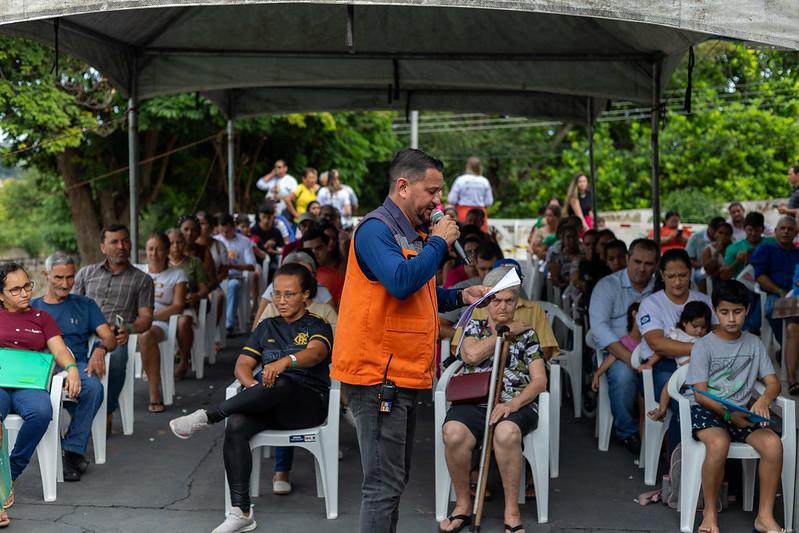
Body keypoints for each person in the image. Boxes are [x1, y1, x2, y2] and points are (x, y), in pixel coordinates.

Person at [331, 148, 487, 533]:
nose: (439, 201)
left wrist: (459, 296)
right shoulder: (375, 230)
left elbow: (417, 291)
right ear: (403, 186)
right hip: (377, 374)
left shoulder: (410, 233)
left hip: (401, 372)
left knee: (393, 481)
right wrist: (439, 243)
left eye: (440, 192)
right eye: (432, 191)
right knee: (382, 486)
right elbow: (401, 282)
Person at [168, 264, 334, 533]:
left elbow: (315, 353)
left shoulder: (318, 324)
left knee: (281, 382)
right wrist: (257, 390)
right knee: (236, 424)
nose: (281, 300)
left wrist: (285, 362)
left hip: (307, 406)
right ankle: (242, 512)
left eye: (289, 294)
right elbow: (242, 365)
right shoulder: (266, 326)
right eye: (277, 294)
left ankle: (208, 416)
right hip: (270, 402)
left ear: (305, 295)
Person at [439, 272, 547, 533]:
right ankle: (463, 505)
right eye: (496, 301)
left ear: (516, 302)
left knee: (506, 433)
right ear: (487, 302)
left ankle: (512, 511)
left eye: (509, 301)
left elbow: (539, 381)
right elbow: (471, 355)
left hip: (515, 404)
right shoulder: (474, 328)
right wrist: (504, 334)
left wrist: (513, 405)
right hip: (474, 401)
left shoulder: (528, 335)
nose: (503, 307)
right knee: (453, 433)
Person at [686, 279, 783, 533]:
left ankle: (764, 516)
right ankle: (709, 513)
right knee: (719, 443)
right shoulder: (703, 345)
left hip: (741, 412)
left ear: (747, 310)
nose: (731, 319)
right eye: (724, 312)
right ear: (715, 310)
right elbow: (700, 394)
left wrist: (763, 400)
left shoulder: (754, 344)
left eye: (737, 312)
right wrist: (729, 415)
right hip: (708, 411)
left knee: (773, 444)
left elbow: (773, 383)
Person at [0, 263, 81, 516]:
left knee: (41, 412)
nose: (24, 293)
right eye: (15, 289)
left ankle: (10, 473)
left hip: (30, 384)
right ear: (1, 295)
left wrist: (72, 368)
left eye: (27, 286)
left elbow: (59, 349)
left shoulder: (42, 318)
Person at [31, 252, 114, 481]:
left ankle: (71, 451)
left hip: (77, 366)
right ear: (46, 275)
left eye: (70, 277)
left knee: (94, 388)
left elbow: (109, 336)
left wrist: (100, 348)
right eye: (59, 277)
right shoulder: (32, 307)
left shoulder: (85, 305)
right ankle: (60, 449)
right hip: (43, 369)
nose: (65, 283)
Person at [73, 224, 154, 431]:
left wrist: (130, 328)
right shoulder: (86, 273)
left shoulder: (142, 280)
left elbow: (146, 319)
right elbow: (71, 305)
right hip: (82, 333)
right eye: (114, 242)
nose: (121, 246)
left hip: (116, 335)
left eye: (125, 241)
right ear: (103, 247)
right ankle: (76, 412)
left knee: (116, 359)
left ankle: (106, 410)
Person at [636, 248, 717, 456]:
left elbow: (719, 335)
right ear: (662, 275)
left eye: (683, 275)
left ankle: (709, 456)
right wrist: (699, 348)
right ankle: (680, 460)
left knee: (720, 397)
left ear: (691, 273)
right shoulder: (651, 303)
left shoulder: (705, 300)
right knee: (682, 400)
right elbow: (657, 343)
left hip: (704, 365)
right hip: (662, 364)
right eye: (671, 276)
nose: (678, 281)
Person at [588, 239, 658, 453]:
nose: (642, 268)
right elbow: (599, 328)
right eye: (637, 262)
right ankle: (628, 433)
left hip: (655, 351)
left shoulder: (659, 287)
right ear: (627, 259)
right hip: (616, 352)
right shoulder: (607, 285)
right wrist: (630, 358)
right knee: (624, 375)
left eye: (648, 263)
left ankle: (661, 435)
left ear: (656, 265)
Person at [137, 232, 187, 412]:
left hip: (160, 322)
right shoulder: (137, 271)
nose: (154, 253)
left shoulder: (177, 274)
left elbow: (178, 305)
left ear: (167, 251)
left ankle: (154, 393)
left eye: (158, 249)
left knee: (146, 335)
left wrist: (150, 318)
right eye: (150, 249)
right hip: (135, 319)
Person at [750, 216, 799, 394]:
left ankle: (789, 349)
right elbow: (759, 276)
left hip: (796, 295)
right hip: (775, 293)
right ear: (776, 231)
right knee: (772, 309)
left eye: (790, 229)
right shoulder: (766, 249)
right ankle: (784, 345)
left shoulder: (798, 253)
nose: (786, 231)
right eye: (782, 228)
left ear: (796, 233)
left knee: (793, 322)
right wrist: (779, 291)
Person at [646, 301, 711, 421]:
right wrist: (649, 364)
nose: (699, 330)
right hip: (683, 372)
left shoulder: (707, 339)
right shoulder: (677, 335)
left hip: (702, 373)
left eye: (703, 327)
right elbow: (661, 351)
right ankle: (661, 410)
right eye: (695, 326)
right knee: (669, 385)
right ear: (685, 322)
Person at [167, 228, 209, 380]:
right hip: (165, 307)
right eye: (171, 243)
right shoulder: (161, 263)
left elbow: (204, 288)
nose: (175, 246)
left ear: (185, 243)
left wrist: (196, 295)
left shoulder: (194, 262)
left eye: (179, 242)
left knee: (183, 321)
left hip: (186, 307)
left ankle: (184, 359)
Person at [254, 250, 335, 326]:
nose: (306, 279)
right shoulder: (271, 307)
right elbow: (257, 330)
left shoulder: (325, 308)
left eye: (309, 274)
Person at [215, 214, 257, 333]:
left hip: (235, 277)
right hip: (218, 278)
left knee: (233, 285)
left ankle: (228, 324)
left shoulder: (244, 241)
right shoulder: (216, 241)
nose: (225, 234)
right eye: (222, 231)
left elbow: (251, 266)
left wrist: (232, 266)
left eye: (228, 231)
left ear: (233, 227)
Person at [591, 302, 640, 393]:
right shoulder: (625, 341)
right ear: (634, 314)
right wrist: (597, 374)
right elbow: (611, 358)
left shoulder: (647, 342)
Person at [722, 211, 775, 279]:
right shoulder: (733, 248)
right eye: (750, 230)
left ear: (763, 230)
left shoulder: (772, 243)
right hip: (741, 284)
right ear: (744, 228)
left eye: (757, 230)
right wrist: (737, 261)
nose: (753, 233)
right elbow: (724, 275)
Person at [446, 156, 494, 232]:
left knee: (463, 235)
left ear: (468, 166)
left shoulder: (460, 180)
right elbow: (489, 202)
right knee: (480, 236)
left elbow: (452, 200)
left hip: (464, 213)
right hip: (480, 215)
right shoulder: (484, 181)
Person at [178, 214, 218, 292]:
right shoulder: (170, 251)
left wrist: (199, 294)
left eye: (194, 230)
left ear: (198, 233)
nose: (189, 233)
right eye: (186, 229)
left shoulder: (203, 252)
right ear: (179, 231)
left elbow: (213, 281)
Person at [549, 224, 581, 289]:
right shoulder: (557, 256)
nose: (572, 240)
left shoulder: (583, 254)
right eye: (568, 237)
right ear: (563, 239)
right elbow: (555, 280)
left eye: (574, 236)